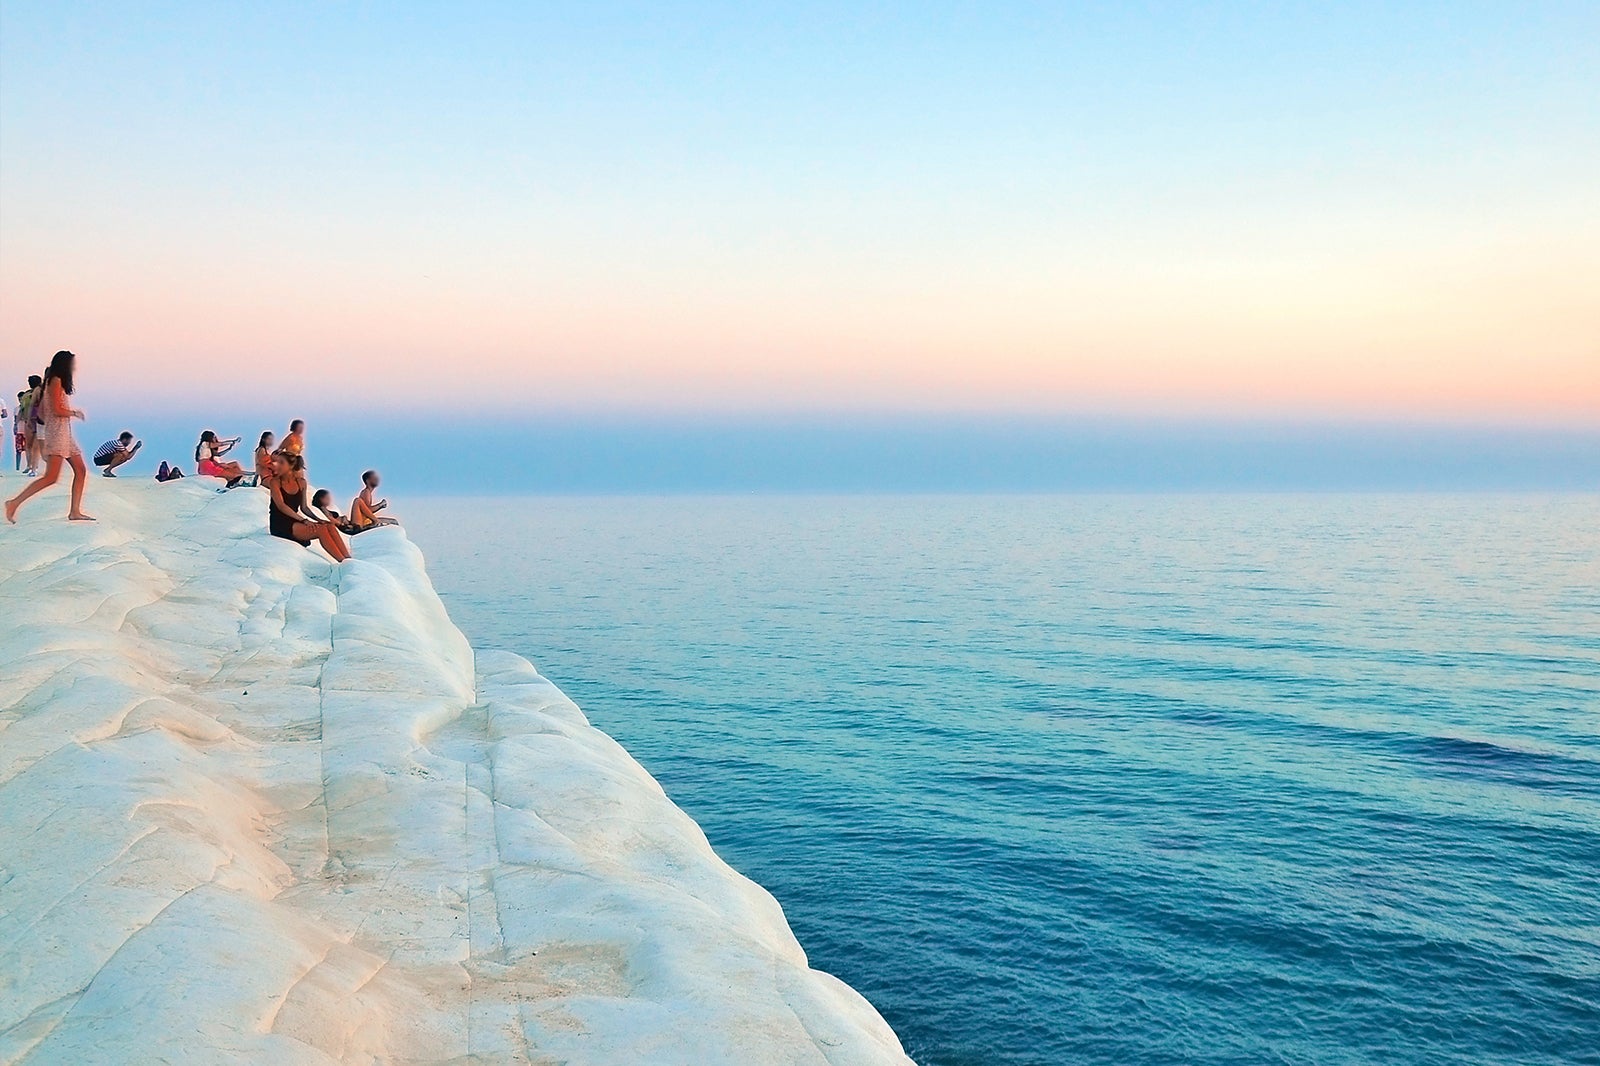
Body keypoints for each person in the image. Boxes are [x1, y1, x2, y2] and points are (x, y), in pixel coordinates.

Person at [5, 351, 92, 523]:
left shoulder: (52, 383)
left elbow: (45, 413)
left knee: (80, 471)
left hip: (63, 434)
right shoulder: (55, 381)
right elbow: (56, 410)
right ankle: (14, 503)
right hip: (58, 434)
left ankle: (75, 511)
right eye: (71, 363)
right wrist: (74, 412)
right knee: (50, 477)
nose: (74, 367)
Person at [268, 453, 350, 561]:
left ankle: (348, 558)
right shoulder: (275, 482)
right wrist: (304, 521)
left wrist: (318, 520)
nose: (277, 465)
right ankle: (342, 561)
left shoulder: (301, 483)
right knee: (321, 530)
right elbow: (281, 506)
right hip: (280, 524)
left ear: (291, 466)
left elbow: (304, 507)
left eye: (281, 463)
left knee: (328, 525)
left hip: (295, 520)